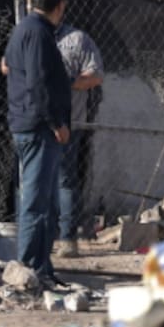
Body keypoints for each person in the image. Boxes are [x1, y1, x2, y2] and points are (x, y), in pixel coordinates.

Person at [4, 0, 72, 287]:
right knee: (35, 201)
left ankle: (41, 268)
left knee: (44, 201)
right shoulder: (37, 33)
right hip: (38, 127)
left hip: (31, 124)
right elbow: (39, 83)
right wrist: (56, 122)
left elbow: (7, 65)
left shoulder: (27, 29)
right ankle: (29, 269)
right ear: (59, 6)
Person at [52, 22, 104, 258]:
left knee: (65, 180)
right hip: (36, 122)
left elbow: (95, 75)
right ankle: (40, 236)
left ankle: (66, 239)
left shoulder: (77, 39)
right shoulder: (29, 33)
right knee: (36, 179)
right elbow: (6, 66)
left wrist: (66, 81)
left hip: (69, 121)